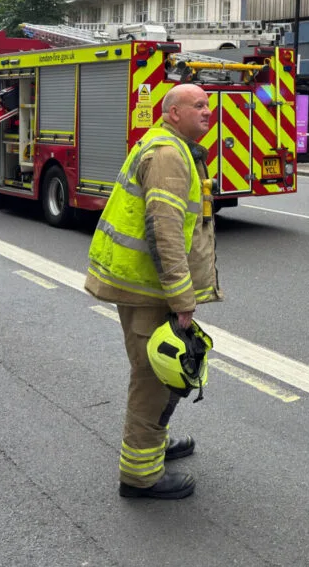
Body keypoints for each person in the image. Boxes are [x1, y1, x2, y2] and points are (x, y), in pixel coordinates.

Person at [85, 83, 221, 501]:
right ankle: (140, 477)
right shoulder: (167, 155)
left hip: (145, 286)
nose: (208, 111)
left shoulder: (173, 147)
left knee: (162, 375)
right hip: (149, 291)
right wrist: (182, 300)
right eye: (197, 105)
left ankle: (154, 445)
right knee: (152, 379)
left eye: (208, 105)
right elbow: (164, 232)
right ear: (173, 113)